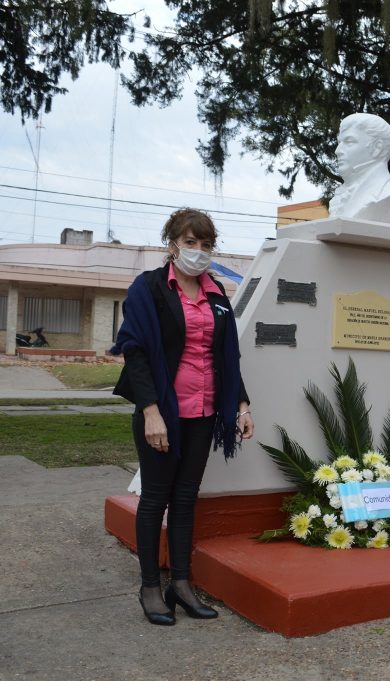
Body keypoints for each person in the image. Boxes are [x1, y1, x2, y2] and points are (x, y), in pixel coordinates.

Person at [111, 208, 254, 626]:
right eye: (190, 243)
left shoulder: (217, 294)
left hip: (206, 410)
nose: (198, 251)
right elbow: (134, 352)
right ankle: (151, 587)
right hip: (163, 411)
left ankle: (182, 583)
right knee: (155, 498)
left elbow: (228, 358)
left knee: (186, 498)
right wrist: (151, 411)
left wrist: (242, 406)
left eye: (206, 245)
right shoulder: (149, 289)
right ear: (172, 243)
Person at [328, 113, 390, 223]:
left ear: (377, 148)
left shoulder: (386, 194)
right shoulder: (343, 193)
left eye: (349, 141)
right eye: (339, 142)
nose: (337, 151)